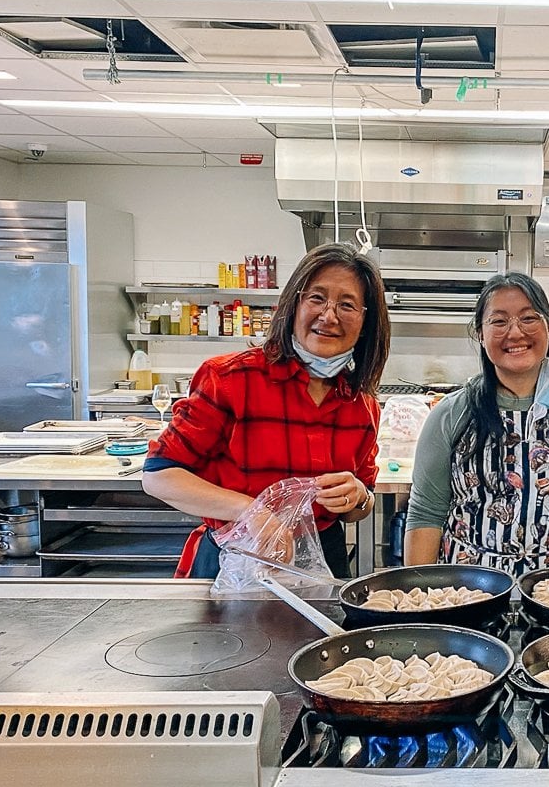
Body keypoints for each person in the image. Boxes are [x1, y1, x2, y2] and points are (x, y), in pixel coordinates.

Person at [143, 243, 390, 578]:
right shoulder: (230, 379)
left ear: (365, 322)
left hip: (322, 559)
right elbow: (159, 476)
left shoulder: (361, 405)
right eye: (316, 298)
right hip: (236, 557)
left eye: (347, 305)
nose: (329, 316)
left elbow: (361, 502)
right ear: (293, 304)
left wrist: (358, 496)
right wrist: (252, 512)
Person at [404, 273, 549, 575]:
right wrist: (423, 593)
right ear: (480, 334)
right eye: (499, 321)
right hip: (469, 589)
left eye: (529, 318)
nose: (515, 332)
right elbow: (426, 513)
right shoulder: (451, 414)